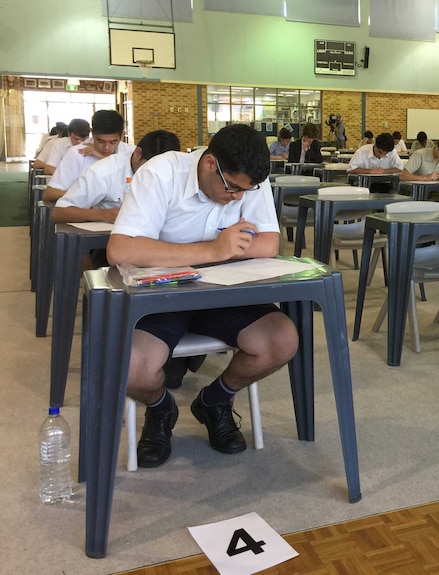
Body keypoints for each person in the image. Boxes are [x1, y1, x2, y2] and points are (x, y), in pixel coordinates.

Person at [105, 124, 299, 468]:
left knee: (282, 340)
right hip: (163, 295)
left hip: (222, 293)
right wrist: (213, 249)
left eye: (246, 190)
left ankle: (215, 400)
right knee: (131, 367)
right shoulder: (161, 173)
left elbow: (269, 243)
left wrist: (204, 252)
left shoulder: (247, 178)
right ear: (210, 164)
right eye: (232, 188)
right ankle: (160, 408)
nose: (239, 198)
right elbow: (121, 249)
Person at [52, 130, 180, 225]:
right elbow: (59, 212)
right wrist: (105, 215)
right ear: (137, 154)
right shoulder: (102, 172)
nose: (156, 178)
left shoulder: (177, 172)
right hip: (112, 239)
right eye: (151, 171)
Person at [43, 110, 134, 201]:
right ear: (92, 133)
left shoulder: (131, 153)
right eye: (100, 141)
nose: (106, 148)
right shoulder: (78, 154)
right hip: (88, 212)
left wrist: (104, 158)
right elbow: (50, 194)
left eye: (113, 142)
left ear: (122, 135)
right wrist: (86, 195)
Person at [401, 134, 439, 210]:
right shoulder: (420, 154)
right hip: (415, 194)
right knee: (424, 210)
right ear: (437, 146)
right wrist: (426, 177)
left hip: (436, 194)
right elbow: (402, 176)